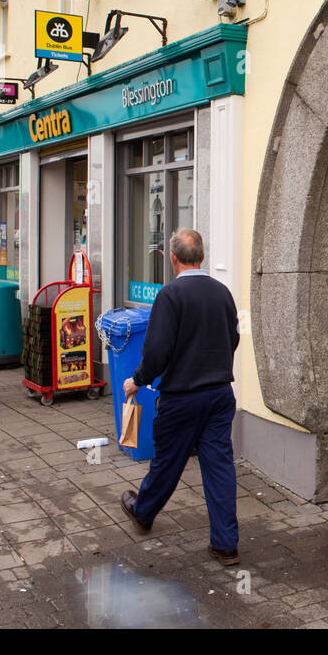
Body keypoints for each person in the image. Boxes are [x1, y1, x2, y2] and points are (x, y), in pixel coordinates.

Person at [120, 228, 241, 566]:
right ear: (201, 256)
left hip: (182, 397)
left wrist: (137, 381)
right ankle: (225, 544)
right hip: (219, 394)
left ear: (172, 258)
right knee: (219, 467)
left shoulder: (170, 296)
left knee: (167, 461)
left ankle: (143, 511)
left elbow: (157, 350)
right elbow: (232, 338)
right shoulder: (222, 293)